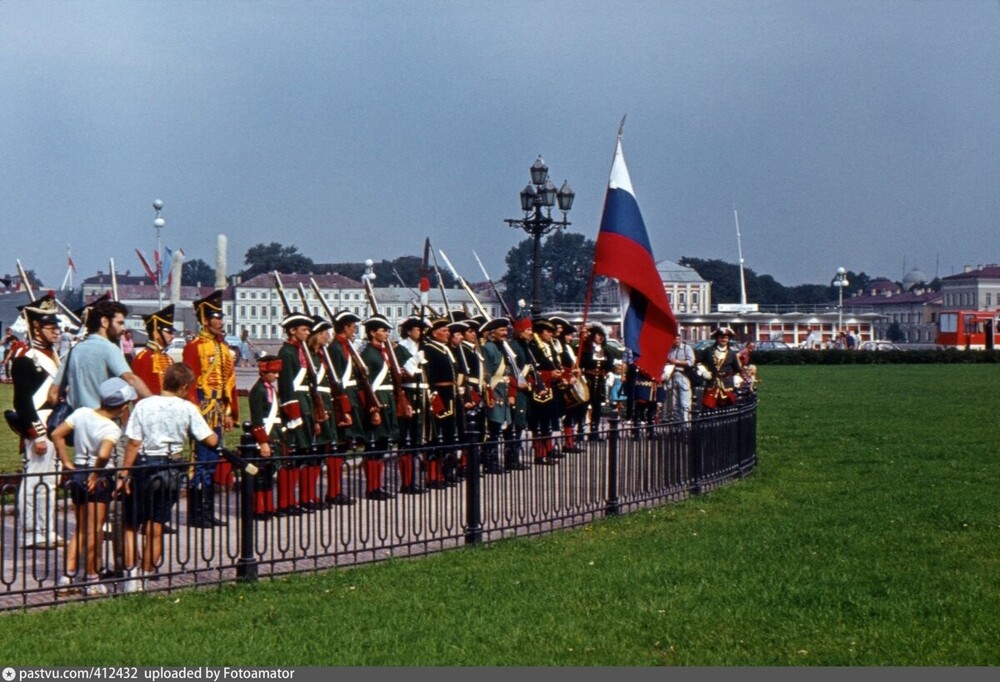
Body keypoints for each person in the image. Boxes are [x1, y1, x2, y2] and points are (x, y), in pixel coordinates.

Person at [119, 364, 218, 592]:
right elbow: (209, 439)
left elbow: (134, 442)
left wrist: (124, 473)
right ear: (184, 387)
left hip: (145, 466)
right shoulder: (188, 408)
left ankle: (131, 578)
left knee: (131, 525)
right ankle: (146, 574)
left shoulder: (143, 405)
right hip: (171, 466)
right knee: (156, 525)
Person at [51, 377, 136, 596]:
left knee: (80, 528)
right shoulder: (111, 428)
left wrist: (66, 461)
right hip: (98, 478)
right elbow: (105, 453)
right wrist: (97, 472)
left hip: (78, 470)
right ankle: (91, 577)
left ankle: (66, 577)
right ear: (121, 406)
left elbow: (56, 434)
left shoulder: (82, 413)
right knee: (94, 530)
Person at [10, 294, 66, 549]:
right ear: (36, 327)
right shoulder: (24, 357)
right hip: (40, 429)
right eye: (50, 326)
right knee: (35, 481)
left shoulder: (54, 356)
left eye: (57, 326)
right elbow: (23, 401)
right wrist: (38, 434)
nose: (56, 331)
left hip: (55, 427)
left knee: (50, 482)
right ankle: (31, 533)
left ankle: (47, 529)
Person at [182, 290, 237, 528]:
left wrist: (228, 412)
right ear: (205, 320)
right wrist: (196, 413)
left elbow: (228, 383)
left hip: (217, 408)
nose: (221, 322)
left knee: (213, 460)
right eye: (217, 317)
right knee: (200, 461)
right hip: (202, 408)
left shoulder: (222, 347)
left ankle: (207, 510)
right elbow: (190, 383)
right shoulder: (195, 347)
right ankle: (196, 513)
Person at [275, 310, 316, 517]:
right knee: (291, 457)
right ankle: (285, 502)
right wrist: (293, 413)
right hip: (295, 409)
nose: (308, 332)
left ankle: (298, 499)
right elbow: (286, 384)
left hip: (305, 405)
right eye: (304, 329)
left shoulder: (300, 350)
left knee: (302, 455)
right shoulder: (287, 352)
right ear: (292, 331)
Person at [360, 314, 404, 500]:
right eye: (383, 330)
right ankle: (372, 488)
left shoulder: (383, 351)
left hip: (388, 401)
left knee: (382, 446)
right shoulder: (368, 354)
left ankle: (379, 485)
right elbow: (366, 384)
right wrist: (373, 409)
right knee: (374, 447)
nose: (387, 333)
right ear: (372, 332)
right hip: (378, 402)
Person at [420, 315, 459, 489]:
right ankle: (433, 476)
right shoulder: (429, 348)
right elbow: (428, 375)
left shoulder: (445, 348)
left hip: (451, 393)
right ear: (434, 333)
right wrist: (433, 397)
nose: (447, 333)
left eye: (448, 330)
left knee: (450, 435)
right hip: (439, 394)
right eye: (444, 330)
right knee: (437, 437)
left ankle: (447, 471)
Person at [394, 315, 429, 494]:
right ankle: (406, 482)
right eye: (418, 329)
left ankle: (413, 480)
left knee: (417, 438)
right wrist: (415, 360)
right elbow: (403, 373)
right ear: (409, 331)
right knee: (406, 439)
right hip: (409, 393)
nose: (421, 333)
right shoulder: (401, 348)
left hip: (421, 393)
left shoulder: (422, 347)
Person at [247, 354, 282, 520]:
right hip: (264, 436)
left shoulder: (270, 388)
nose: (277, 376)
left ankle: (268, 506)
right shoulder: (258, 390)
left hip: (273, 434)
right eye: (273, 372)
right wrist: (263, 442)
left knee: (269, 474)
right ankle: (259, 508)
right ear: (264, 371)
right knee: (260, 476)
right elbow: (257, 419)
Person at [526, 318, 563, 465]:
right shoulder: (533, 347)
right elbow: (531, 370)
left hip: (551, 388)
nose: (550, 334)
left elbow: (555, 364)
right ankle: (539, 454)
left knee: (548, 422)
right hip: (539, 389)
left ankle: (548, 450)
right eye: (547, 331)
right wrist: (549, 375)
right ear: (539, 332)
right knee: (539, 423)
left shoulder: (549, 346)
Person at [480, 317, 514, 475]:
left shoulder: (502, 347)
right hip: (494, 391)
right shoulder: (488, 347)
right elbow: (486, 373)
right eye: (501, 330)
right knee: (493, 429)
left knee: (498, 428)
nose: (504, 333)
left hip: (503, 390)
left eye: (505, 330)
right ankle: (489, 462)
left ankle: (493, 461)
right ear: (492, 333)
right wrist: (489, 394)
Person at [130, 304, 176, 395]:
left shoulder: (169, 359)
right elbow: (139, 392)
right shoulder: (143, 358)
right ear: (156, 333)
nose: (173, 336)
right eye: (169, 332)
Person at [579, 324, 612, 440]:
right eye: (598, 335)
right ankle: (580, 432)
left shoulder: (605, 351)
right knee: (583, 406)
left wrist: (606, 371)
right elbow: (581, 362)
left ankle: (594, 432)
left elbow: (609, 364)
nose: (600, 337)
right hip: (588, 380)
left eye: (602, 335)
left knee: (597, 406)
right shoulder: (586, 349)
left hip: (600, 382)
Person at [698, 325, 743, 409]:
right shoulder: (708, 350)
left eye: (725, 337)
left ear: (728, 339)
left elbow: (737, 370)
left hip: (727, 384)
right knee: (709, 407)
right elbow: (698, 362)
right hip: (711, 383)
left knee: (726, 408)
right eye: (721, 337)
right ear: (717, 338)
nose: (723, 340)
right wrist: (704, 371)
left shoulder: (732, 353)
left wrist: (736, 378)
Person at [666, 335, 696, 423]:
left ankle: (686, 425)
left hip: (683, 375)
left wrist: (677, 362)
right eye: (674, 339)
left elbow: (691, 362)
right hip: (671, 376)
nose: (676, 341)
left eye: (678, 338)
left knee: (685, 402)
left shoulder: (686, 348)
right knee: (674, 403)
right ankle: (677, 425)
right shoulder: (670, 349)